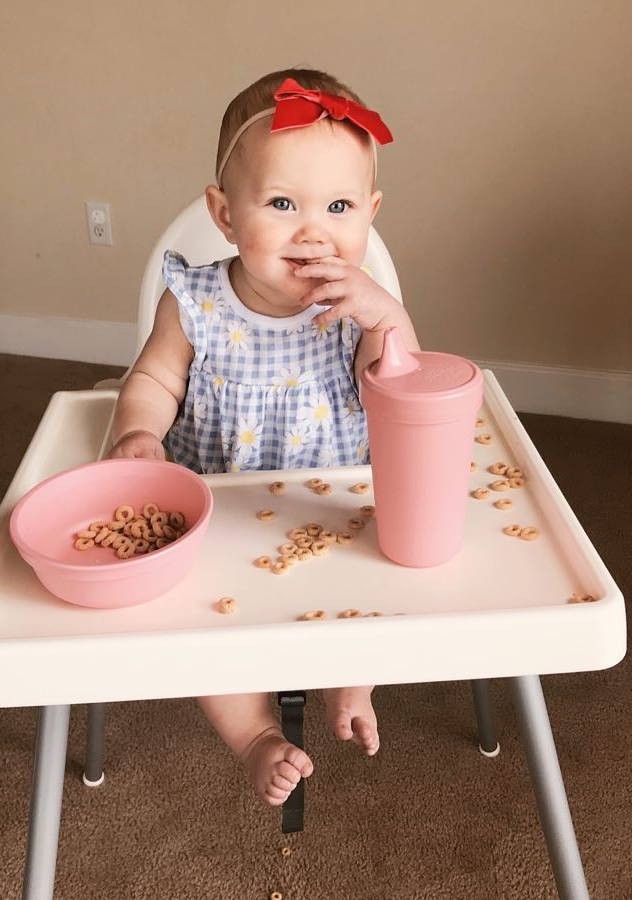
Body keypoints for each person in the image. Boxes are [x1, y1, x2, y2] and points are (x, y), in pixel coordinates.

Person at [108, 68, 420, 806]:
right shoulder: (194, 300)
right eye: (281, 203)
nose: (314, 230)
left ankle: (353, 687)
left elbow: (402, 396)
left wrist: (384, 319)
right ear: (223, 213)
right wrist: (137, 435)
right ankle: (255, 736)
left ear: (369, 215)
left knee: (380, 585)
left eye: (339, 206)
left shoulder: (357, 307)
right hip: (215, 513)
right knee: (198, 626)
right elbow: (154, 380)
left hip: (331, 511)